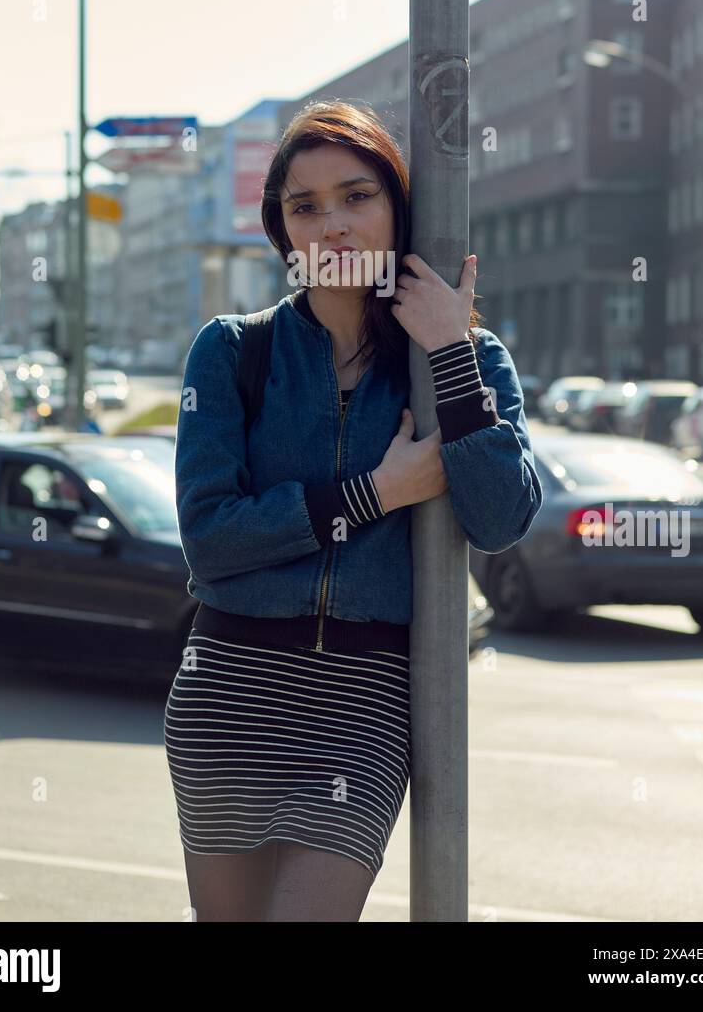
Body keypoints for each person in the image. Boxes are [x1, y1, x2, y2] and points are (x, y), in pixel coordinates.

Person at [164, 100, 542, 922]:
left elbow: (503, 518)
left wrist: (444, 351)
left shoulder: (469, 358)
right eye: (305, 207)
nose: (332, 225)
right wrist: (378, 492)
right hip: (230, 687)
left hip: (364, 700)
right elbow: (211, 539)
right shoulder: (232, 350)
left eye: (357, 196)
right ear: (284, 232)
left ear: (398, 208)